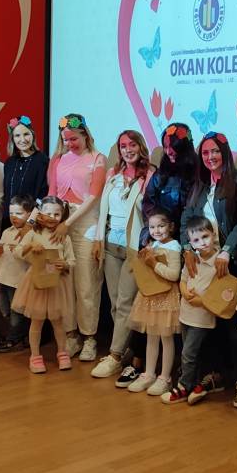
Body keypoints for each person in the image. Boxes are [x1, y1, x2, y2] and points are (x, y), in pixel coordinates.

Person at [180, 131, 237, 408]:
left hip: (230, 265)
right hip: (204, 266)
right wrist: (186, 248)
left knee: (234, 328)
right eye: (205, 152)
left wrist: (227, 250)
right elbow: (187, 219)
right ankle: (215, 375)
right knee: (208, 324)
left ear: (224, 153)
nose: (210, 157)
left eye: (215, 151)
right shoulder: (200, 185)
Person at [91, 130, 155, 380]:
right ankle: (124, 348)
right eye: (123, 146)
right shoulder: (113, 174)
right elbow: (103, 210)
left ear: (140, 146)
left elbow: (150, 213)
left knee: (126, 302)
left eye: (132, 145)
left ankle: (115, 355)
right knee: (116, 302)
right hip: (110, 244)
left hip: (133, 247)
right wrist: (98, 239)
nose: (128, 150)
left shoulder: (149, 175)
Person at [45, 113, 107, 361]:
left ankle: (89, 337)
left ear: (85, 135)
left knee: (86, 284)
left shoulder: (98, 159)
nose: (70, 143)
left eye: (74, 138)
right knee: (65, 283)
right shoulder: (57, 159)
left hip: (86, 224)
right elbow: (51, 193)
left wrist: (68, 222)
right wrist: (46, 221)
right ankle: (71, 335)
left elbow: (94, 196)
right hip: (60, 223)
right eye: (66, 139)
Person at [11, 196, 77, 373]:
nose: (52, 218)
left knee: (58, 322)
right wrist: (31, 246)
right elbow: (17, 252)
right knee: (37, 321)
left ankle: (62, 352)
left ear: (62, 216)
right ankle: (35, 356)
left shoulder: (64, 238)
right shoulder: (33, 234)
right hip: (36, 283)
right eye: (48, 213)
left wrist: (65, 264)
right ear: (40, 214)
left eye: (57, 214)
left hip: (57, 284)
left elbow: (72, 260)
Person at [161, 215, 219, 405]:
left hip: (202, 317)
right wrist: (185, 292)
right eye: (196, 240)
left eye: (205, 236)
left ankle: (184, 386)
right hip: (186, 314)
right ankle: (193, 383)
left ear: (213, 235)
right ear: (191, 243)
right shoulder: (192, 258)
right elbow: (183, 279)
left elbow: (220, 293)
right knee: (191, 352)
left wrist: (202, 301)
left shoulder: (219, 262)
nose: (202, 243)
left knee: (188, 353)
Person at [125, 208, 182, 396]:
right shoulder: (153, 245)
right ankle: (148, 374)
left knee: (166, 338)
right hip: (151, 296)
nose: (156, 230)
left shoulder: (174, 247)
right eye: (152, 227)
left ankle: (164, 377)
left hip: (165, 297)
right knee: (151, 336)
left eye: (161, 226)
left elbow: (173, 274)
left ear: (171, 226)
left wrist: (153, 263)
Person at [0, 196, 34, 352]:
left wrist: (17, 250)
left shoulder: (30, 234)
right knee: (5, 309)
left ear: (30, 214)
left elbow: (28, 257)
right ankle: (20, 334)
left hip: (17, 280)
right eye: (11, 213)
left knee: (17, 310)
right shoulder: (6, 232)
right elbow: (0, 253)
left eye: (19, 213)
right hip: (2, 277)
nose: (14, 217)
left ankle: (14, 338)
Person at [2, 115, 49, 229]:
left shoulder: (42, 161)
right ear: (12, 138)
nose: (22, 140)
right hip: (9, 222)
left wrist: (31, 221)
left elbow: (43, 195)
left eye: (26, 134)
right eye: (17, 135)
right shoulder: (9, 162)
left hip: (32, 223)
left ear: (33, 135)